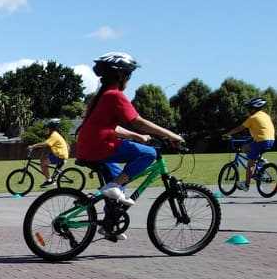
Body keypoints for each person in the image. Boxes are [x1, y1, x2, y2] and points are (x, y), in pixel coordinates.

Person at [76, 52, 184, 221]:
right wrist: (171, 135)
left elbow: (111, 127)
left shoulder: (100, 97)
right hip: (101, 146)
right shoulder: (115, 96)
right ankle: (114, 187)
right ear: (120, 75)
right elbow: (138, 121)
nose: (129, 79)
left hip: (87, 146)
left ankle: (109, 222)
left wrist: (137, 137)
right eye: (129, 74)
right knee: (149, 153)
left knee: (119, 179)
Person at [224, 97, 275, 191]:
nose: (248, 111)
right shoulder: (266, 115)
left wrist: (228, 134)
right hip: (271, 140)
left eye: (249, 108)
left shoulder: (252, 118)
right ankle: (261, 161)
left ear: (253, 109)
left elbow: (240, 128)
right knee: (246, 148)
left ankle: (246, 185)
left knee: (250, 162)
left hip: (261, 141)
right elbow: (262, 129)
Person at [28, 119, 70, 187]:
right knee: (43, 158)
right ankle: (51, 179)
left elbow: (45, 144)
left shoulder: (54, 135)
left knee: (42, 162)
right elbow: (46, 146)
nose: (47, 129)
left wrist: (33, 146)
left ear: (51, 128)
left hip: (60, 157)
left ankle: (49, 180)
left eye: (48, 128)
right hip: (59, 155)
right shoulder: (54, 135)